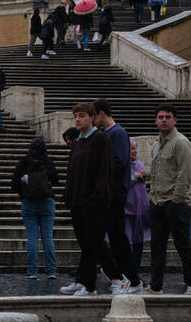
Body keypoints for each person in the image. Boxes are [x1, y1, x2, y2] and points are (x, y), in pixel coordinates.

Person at [61, 103, 128, 296]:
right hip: (77, 201)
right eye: (75, 116)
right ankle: (89, 286)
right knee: (86, 244)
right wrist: (69, 196)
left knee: (95, 241)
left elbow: (105, 170)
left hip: (94, 201)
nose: (77, 119)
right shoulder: (78, 142)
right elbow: (72, 172)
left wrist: (98, 197)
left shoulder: (101, 138)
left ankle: (118, 278)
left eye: (82, 115)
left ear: (92, 117)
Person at [146, 104, 191, 294]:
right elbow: (155, 173)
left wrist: (176, 200)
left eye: (168, 117)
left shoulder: (181, 142)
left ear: (175, 120)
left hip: (176, 203)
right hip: (157, 201)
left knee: (183, 245)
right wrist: (152, 196)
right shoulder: (156, 145)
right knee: (157, 246)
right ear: (156, 120)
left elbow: (185, 174)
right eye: (160, 117)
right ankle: (156, 286)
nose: (163, 120)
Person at [94, 98, 142, 292]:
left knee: (116, 238)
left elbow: (119, 161)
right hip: (107, 193)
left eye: (94, 115)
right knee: (106, 237)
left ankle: (131, 279)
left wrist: (96, 169)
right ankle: (115, 275)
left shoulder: (118, 133)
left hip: (115, 192)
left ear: (101, 114)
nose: (93, 120)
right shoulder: (107, 134)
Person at [12, 136, 58, 280]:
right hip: (47, 202)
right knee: (48, 237)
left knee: (32, 238)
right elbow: (56, 180)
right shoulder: (48, 162)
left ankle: (33, 271)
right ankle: (51, 271)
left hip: (29, 203)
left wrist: (24, 192)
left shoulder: (23, 163)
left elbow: (14, 185)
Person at [126, 144, 151, 275]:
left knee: (138, 241)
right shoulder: (123, 165)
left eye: (135, 149)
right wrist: (136, 176)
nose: (135, 151)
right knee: (124, 239)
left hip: (139, 208)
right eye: (132, 149)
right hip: (126, 208)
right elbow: (123, 182)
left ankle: (134, 270)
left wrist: (142, 176)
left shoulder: (139, 164)